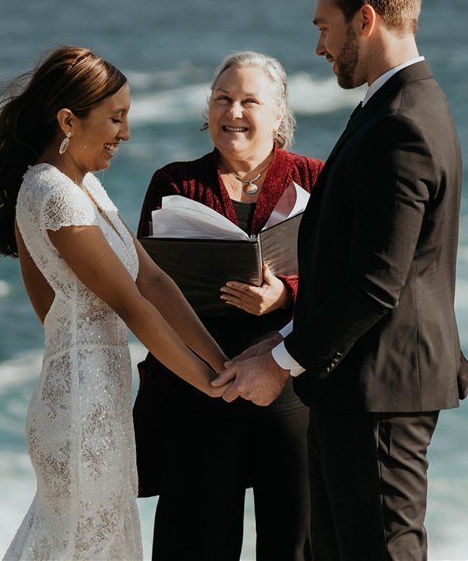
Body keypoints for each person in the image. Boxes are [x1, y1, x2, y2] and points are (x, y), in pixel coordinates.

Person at [216, 0, 468, 561]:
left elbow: (377, 283)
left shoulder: (402, 123)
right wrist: (278, 344)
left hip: (380, 398)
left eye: (324, 27)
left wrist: (281, 363)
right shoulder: (392, 109)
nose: (319, 47)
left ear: (365, 20)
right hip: (350, 393)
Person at [0, 45, 229, 561]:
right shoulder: (51, 192)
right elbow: (132, 307)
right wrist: (210, 386)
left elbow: (153, 281)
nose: (125, 133)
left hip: (103, 400)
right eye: (116, 118)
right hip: (78, 406)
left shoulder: (86, 187)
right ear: (68, 119)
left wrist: (221, 364)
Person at [132, 51, 324, 561]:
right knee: (193, 544)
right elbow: (146, 282)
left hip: (288, 384)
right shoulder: (174, 183)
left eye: (248, 101)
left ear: (278, 115)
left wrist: (286, 294)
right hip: (201, 388)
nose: (232, 112)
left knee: (295, 544)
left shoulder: (316, 178)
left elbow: (346, 285)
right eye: (222, 99)